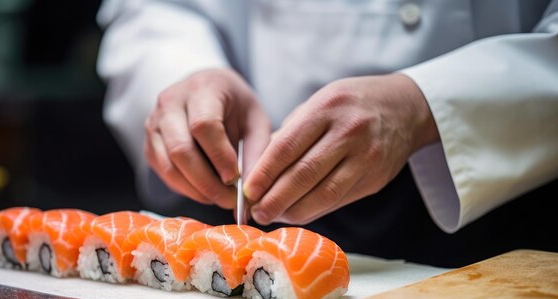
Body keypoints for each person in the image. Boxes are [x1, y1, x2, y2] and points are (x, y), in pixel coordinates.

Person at [96, 0, 558, 267]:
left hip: (499, 194)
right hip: (249, 185)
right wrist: (187, 73)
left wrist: (427, 105)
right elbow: (157, 9)